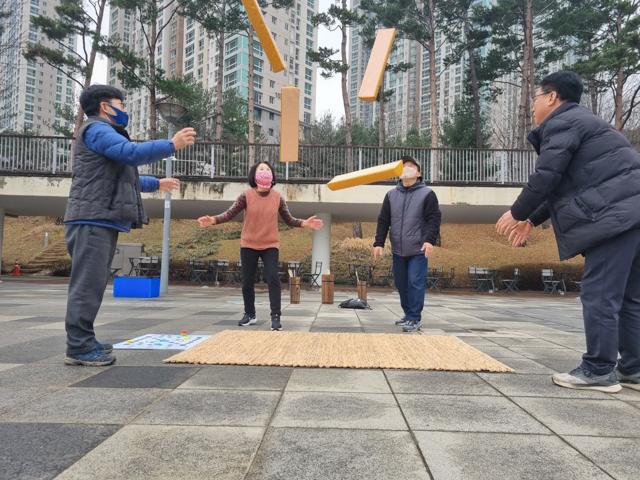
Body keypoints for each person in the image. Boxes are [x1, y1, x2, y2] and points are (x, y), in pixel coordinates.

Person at [496, 70, 640, 393]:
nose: (533, 107)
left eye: (535, 98)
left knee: (600, 293)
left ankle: (599, 369)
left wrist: (516, 212)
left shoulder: (562, 123)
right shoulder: (587, 124)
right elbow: (563, 186)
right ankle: (633, 368)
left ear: (552, 97)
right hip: (632, 214)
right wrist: (532, 220)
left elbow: (546, 177)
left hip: (612, 217)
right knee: (630, 296)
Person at [63, 84, 196, 366]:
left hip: (99, 218)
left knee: (93, 284)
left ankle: (84, 339)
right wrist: (171, 144)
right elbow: (130, 153)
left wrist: (157, 183)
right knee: (87, 286)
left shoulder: (104, 132)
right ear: (104, 106)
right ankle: (78, 346)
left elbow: (125, 177)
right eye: (121, 105)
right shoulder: (97, 129)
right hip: (91, 219)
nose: (124, 110)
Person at [197, 162, 323, 331]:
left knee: (273, 278)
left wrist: (304, 223)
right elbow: (229, 213)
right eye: (261, 169)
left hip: (270, 244)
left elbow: (289, 219)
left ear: (272, 175)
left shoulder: (278, 197)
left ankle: (275, 316)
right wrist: (213, 220)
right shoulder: (246, 196)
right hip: (248, 244)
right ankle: (250, 314)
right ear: (254, 175)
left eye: (267, 169)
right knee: (247, 281)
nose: (265, 171)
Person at [373, 156, 442, 333]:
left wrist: (429, 240)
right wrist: (378, 243)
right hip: (398, 249)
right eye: (403, 166)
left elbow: (433, 219)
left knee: (415, 282)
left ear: (418, 173)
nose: (406, 168)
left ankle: (414, 318)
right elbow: (383, 220)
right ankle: (408, 314)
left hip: (418, 249)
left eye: (411, 166)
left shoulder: (427, 194)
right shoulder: (391, 195)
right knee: (401, 283)